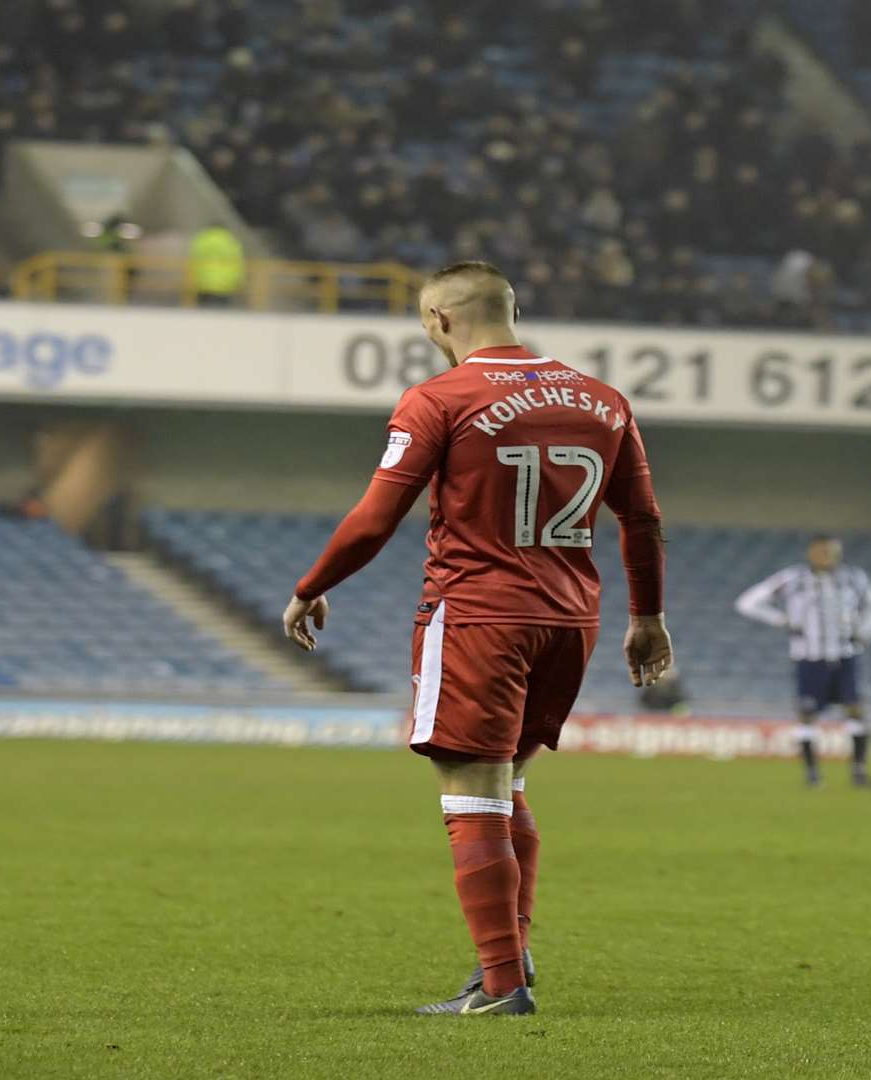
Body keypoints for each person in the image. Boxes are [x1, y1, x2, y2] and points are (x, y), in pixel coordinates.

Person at [281, 261, 671, 1016]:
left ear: (440, 320)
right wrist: (647, 616)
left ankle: (499, 987)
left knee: (471, 796)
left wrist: (311, 585)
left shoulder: (441, 398)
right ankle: (510, 964)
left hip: (479, 614)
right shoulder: (602, 400)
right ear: (510, 311)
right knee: (508, 787)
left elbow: (374, 517)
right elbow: (643, 520)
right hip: (570, 620)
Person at [734, 535, 871, 787]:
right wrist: (781, 620)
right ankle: (812, 773)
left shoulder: (853, 578)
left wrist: (864, 632)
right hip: (809, 657)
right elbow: (748, 602)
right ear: (811, 553)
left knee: (856, 710)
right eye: (821, 551)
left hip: (845, 655)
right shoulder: (793, 579)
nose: (826, 556)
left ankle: (859, 771)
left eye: (831, 551)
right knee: (807, 713)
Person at [189, 222, 245, 306]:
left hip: (203, 282)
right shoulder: (230, 241)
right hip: (225, 284)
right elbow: (237, 262)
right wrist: (239, 280)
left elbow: (193, 258)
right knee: (221, 313)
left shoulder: (202, 239)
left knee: (202, 311)